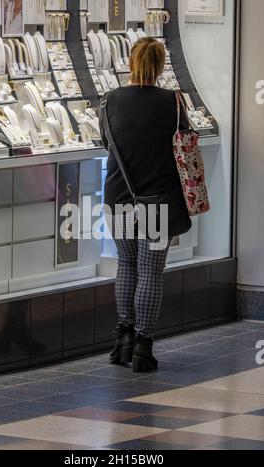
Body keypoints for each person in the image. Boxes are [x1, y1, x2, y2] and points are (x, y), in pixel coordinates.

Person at [99, 37, 192, 373]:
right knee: (151, 271)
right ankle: (143, 346)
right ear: (160, 65)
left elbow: (105, 142)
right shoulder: (173, 102)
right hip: (158, 200)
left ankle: (122, 341)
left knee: (126, 264)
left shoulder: (109, 101)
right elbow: (186, 142)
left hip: (118, 197)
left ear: (131, 62)